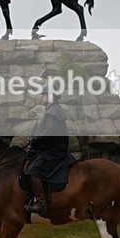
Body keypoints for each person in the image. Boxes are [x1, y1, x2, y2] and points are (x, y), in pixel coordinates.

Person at [24, 82, 75, 217]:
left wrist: (35, 140)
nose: (42, 97)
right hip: (49, 150)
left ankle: (41, 204)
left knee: (33, 171)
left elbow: (50, 131)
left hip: (53, 152)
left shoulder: (53, 111)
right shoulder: (52, 111)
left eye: (44, 95)